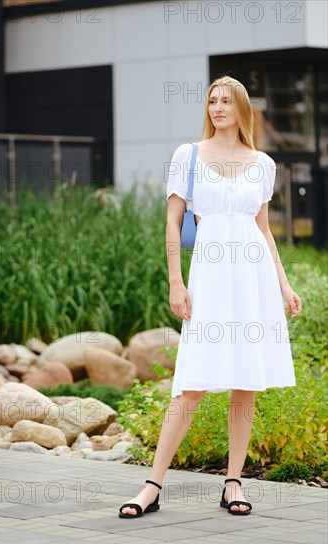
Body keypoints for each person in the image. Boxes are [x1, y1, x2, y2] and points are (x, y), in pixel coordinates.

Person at [118, 76, 302, 519]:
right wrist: (175, 282)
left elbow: (263, 230)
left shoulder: (263, 163)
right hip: (210, 276)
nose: (217, 107)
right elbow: (172, 222)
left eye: (225, 101)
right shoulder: (189, 156)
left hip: (253, 278)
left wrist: (283, 283)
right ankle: (151, 485)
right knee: (191, 383)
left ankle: (233, 482)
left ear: (242, 108)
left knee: (245, 384)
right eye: (212, 100)